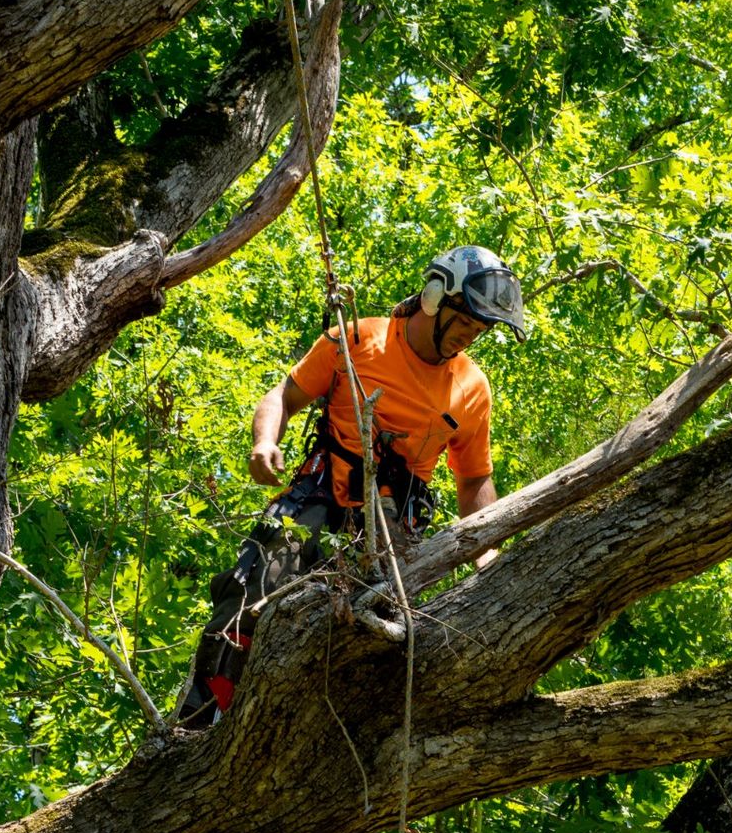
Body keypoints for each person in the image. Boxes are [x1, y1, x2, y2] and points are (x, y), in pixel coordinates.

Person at [175, 245, 527, 730]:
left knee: (368, 646)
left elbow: (473, 481)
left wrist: (487, 553)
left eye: (481, 328)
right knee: (249, 599)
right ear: (433, 297)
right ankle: (198, 724)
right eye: (466, 320)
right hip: (319, 496)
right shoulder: (359, 338)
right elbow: (284, 395)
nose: (471, 335)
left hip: (392, 528)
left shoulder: (471, 389)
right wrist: (264, 443)